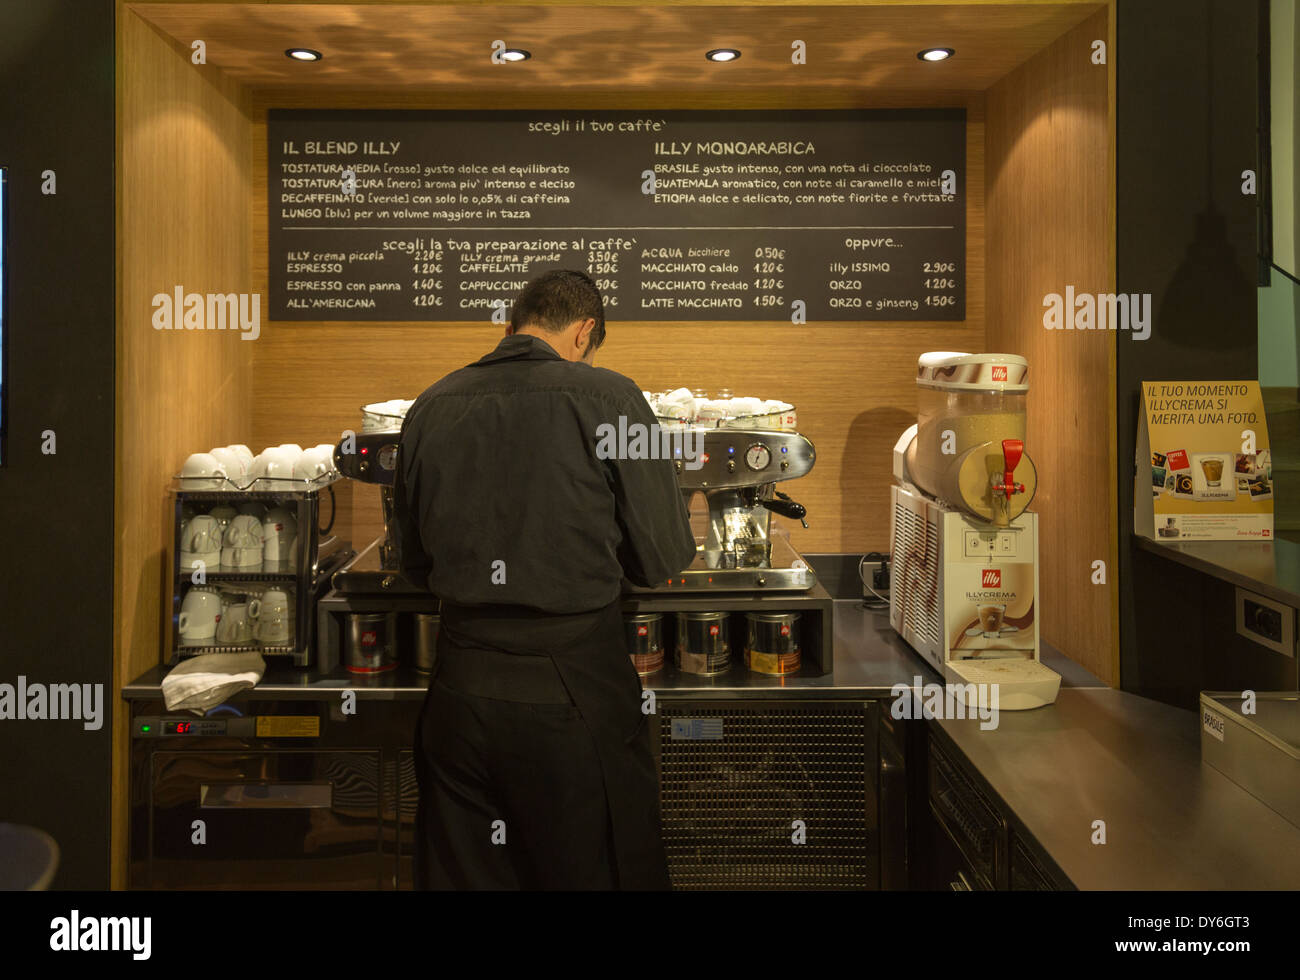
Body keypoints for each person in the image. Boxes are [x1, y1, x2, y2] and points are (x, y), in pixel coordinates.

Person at [394, 269, 696, 890]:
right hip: (573, 696)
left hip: (459, 694)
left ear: (511, 326)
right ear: (585, 331)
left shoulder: (429, 404)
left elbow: (414, 564)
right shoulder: (611, 399)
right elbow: (661, 556)